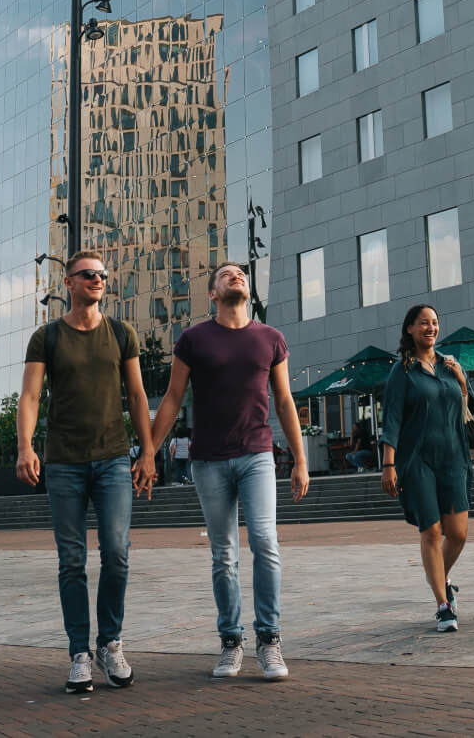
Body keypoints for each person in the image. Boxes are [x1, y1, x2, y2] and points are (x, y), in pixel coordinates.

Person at [149, 261, 307, 681]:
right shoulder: (193, 339)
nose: (236, 276)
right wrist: (148, 451)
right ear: (214, 294)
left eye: (241, 273)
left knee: (265, 542)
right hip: (208, 461)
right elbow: (172, 397)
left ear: (249, 290)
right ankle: (231, 642)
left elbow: (286, 401)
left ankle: (270, 640)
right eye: (226, 275)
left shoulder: (270, 339)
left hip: (257, 456)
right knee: (224, 556)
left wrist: (300, 459)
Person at [17, 249, 158, 693]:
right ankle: (79, 652)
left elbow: (137, 397)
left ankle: (109, 643)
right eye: (88, 274)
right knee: (72, 561)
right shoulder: (48, 337)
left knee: (116, 553)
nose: (97, 279)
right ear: (69, 284)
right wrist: (25, 446)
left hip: (114, 459)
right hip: (63, 464)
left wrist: (148, 451)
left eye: (101, 274)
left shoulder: (121, 333)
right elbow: (31, 397)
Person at [380, 303, 474, 633]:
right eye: (423, 323)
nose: (430, 328)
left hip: (454, 458)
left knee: (459, 534)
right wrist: (388, 463)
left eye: (434, 322)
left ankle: (440, 577)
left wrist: (462, 381)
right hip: (416, 460)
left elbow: (470, 406)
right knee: (432, 531)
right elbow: (391, 419)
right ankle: (443, 605)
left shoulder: (450, 366)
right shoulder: (402, 371)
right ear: (410, 329)